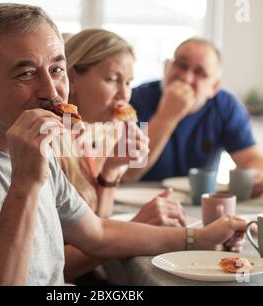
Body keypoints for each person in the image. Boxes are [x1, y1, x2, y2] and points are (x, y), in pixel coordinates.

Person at [0, 4, 247, 286]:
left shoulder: (40, 152)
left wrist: (198, 237)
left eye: (57, 69)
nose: (51, 91)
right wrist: (25, 186)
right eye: (26, 73)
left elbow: (99, 234)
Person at [61, 29, 187, 283]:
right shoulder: (51, 141)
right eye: (112, 79)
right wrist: (138, 225)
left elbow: (98, 223)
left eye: (128, 82)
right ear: (73, 78)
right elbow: (54, 266)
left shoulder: (88, 134)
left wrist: (111, 170)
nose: (123, 95)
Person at [124, 38, 263, 198]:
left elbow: (253, 159)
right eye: (181, 65)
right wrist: (166, 116)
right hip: (137, 200)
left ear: (214, 87)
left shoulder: (225, 106)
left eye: (200, 73)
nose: (186, 78)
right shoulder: (134, 101)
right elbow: (127, 174)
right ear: (167, 67)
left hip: (198, 203)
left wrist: (260, 176)